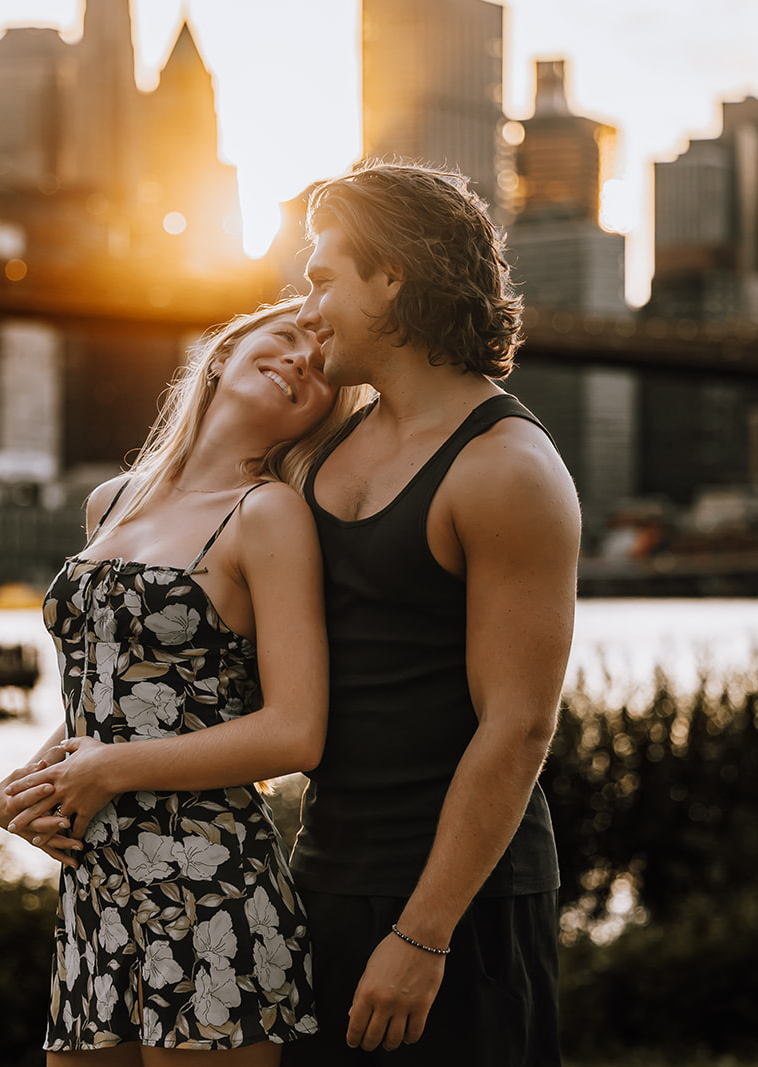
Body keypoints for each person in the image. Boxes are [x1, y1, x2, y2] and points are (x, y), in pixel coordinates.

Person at [0, 297, 371, 1062]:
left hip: (213, 891)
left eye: (322, 368)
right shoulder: (111, 501)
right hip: (95, 895)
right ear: (225, 352)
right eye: (288, 335)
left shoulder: (268, 515)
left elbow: (296, 729)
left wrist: (110, 769)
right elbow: (121, 690)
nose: (303, 358)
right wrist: (23, 788)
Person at [282, 161, 580, 1065]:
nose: (307, 304)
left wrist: (423, 936)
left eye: (324, 277)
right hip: (324, 876)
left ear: (392, 278)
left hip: (465, 906)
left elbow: (519, 726)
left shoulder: (507, 470)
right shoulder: (317, 442)